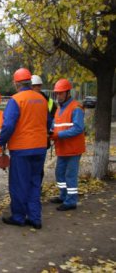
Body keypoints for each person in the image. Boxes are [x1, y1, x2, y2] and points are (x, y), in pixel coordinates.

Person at [0, 68, 50, 230]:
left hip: (21, 149)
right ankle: (35, 218)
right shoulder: (41, 99)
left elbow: (8, 125)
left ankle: (19, 217)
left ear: (16, 83)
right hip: (40, 148)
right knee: (35, 182)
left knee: (19, 184)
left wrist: (2, 141)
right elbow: (48, 123)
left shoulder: (16, 100)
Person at [49, 79, 86, 211]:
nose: (58, 96)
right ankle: (63, 195)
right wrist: (50, 132)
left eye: (61, 93)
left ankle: (71, 201)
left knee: (70, 175)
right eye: (57, 93)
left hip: (73, 149)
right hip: (63, 148)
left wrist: (58, 135)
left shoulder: (76, 108)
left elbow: (78, 128)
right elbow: (55, 125)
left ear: (68, 93)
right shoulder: (59, 109)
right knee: (59, 173)